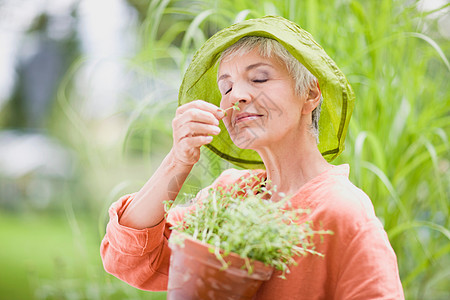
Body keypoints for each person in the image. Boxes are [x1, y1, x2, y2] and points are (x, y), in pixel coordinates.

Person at [101, 16, 404, 299]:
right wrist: (178, 160)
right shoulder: (230, 195)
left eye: (259, 78)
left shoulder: (343, 213)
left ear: (311, 94)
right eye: (226, 86)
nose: (236, 96)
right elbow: (130, 259)